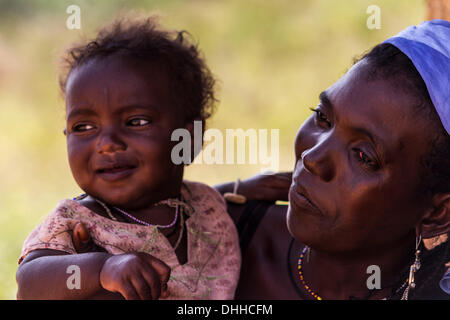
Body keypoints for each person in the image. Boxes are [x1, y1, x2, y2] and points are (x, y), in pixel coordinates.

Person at [71, 20, 450, 300]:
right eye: (322, 118)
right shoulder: (212, 238)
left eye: (364, 156)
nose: (314, 158)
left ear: (438, 210)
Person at [15, 17, 241, 300]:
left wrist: (243, 189)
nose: (107, 144)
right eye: (84, 127)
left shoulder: (204, 205)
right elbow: (29, 284)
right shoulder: (76, 221)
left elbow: (201, 200)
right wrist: (102, 269)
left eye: (136, 122)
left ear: (188, 139)